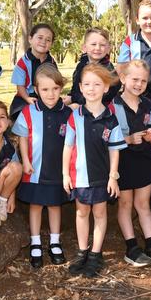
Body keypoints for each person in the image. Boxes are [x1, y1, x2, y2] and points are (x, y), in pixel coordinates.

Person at [63, 63, 126, 278]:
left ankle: (96, 254)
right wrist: (64, 174)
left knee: (100, 213)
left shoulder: (111, 118)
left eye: (97, 84)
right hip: (79, 176)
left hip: (102, 177)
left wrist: (113, 177)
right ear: (80, 87)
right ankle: (82, 251)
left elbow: (115, 151)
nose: (91, 88)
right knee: (82, 212)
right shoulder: (75, 116)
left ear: (106, 88)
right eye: (87, 84)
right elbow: (68, 147)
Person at [110, 60, 151, 268]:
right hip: (124, 160)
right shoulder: (114, 106)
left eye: (143, 81)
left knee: (143, 203)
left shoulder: (148, 105)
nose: (139, 84)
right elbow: (108, 137)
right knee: (126, 203)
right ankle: (131, 247)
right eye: (134, 79)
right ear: (123, 79)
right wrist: (128, 139)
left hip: (144, 159)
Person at [12, 64, 72, 268]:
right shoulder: (29, 111)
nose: (51, 93)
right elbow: (22, 137)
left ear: (61, 88)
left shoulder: (67, 113)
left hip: (58, 170)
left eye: (55, 88)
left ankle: (55, 242)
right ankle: (35, 242)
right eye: (45, 89)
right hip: (35, 170)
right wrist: (26, 161)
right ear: (36, 90)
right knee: (36, 205)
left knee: (55, 205)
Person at [9, 23, 58, 120]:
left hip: (46, 96)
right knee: (22, 117)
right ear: (30, 39)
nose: (43, 42)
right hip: (25, 97)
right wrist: (27, 98)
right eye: (40, 37)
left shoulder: (51, 62)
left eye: (48, 40)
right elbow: (20, 86)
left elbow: (55, 82)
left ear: (51, 44)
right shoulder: (23, 62)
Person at [64, 27, 120, 106]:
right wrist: (70, 96)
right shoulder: (81, 65)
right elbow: (76, 86)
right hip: (79, 105)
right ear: (84, 47)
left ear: (108, 48)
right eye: (93, 44)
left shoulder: (109, 71)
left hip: (101, 111)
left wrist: (74, 99)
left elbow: (105, 96)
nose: (97, 48)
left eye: (102, 45)